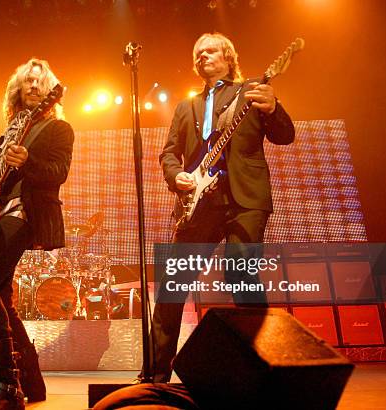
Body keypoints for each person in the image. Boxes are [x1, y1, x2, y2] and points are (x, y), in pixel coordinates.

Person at [149, 32, 295, 383]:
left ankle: (265, 367)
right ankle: (155, 376)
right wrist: (178, 176)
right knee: (173, 283)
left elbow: (285, 135)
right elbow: (169, 153)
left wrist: (274, 108)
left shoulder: (252, 92)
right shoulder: (186, 107)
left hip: (245, 199)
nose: (202, 56)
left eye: (210, 50)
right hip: (200, 204)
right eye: (197, 53)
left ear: (229, 57)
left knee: (241, 273)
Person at [0, 58, 74, 410]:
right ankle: (31, 381)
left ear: (50, 89)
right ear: (18, 89)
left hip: (27, 215)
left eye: (40, 81)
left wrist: (27, 161)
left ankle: (7, 385)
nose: (34, 86)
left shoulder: (59, 129)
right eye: (27, 81)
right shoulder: (7, 134)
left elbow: (58, 173)